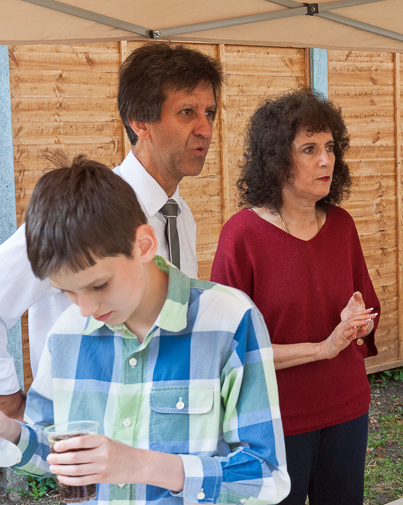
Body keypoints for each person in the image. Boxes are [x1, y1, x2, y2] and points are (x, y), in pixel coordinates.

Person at [3, 155, 290, 504]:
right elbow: (54, 455)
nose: (85, 309)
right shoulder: (66, 332)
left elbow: (267, 477)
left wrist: (140, 465)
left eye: (99, 285)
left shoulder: (229, 321)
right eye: (67, 292)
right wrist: (10, 432)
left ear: (144, 245)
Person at [0, 43, 222, 420]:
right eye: (187, 112)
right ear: (140, 122)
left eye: (210, 113)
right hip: (88, 432)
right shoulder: (83, 212)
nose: (205, 129)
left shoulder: (180, 216)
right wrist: (9, 402)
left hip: (163, 427)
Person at [211, 89, 380, 505]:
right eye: (309, 149)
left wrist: (358, 321)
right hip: (273, 420)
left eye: (330, 147)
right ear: (276, 160)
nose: (326, 160)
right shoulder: (242, 236)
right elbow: (230, 350)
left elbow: (368, 313)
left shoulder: (342, 225)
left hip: (347, 409)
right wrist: (323, 347)